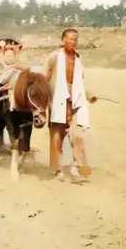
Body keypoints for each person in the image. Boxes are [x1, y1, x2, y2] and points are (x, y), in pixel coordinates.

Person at [44, 29, 97, 182]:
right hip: (57, 100)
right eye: (70, 39)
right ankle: (57, 169)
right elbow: (45, 79)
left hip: (74, 101)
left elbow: (80, 82)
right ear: (63, 40)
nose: (73, 42)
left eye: (75, 39)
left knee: (77, 135)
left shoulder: (78, 58)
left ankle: (76, 167)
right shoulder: (54, 56)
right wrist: (46, 100)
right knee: (57, 136)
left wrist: (88, 95)